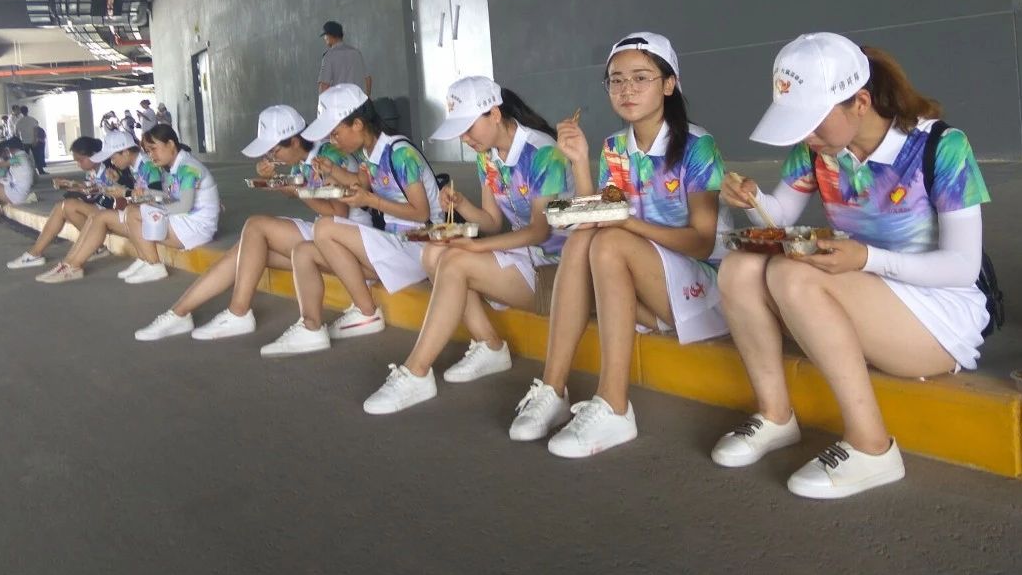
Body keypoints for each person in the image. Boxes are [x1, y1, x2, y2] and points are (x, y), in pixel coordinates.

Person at [710, 33, 990, 500]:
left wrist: (868, 258)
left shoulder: (940, 147)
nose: (806, 136)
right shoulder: (817, 150)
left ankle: (872, 446)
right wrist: (752, 199)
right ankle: (775, 415)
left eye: (812, 123)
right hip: (861, 292)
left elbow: (963, 267)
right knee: (739, 266)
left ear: (860, 102)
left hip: (937, 318)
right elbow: (779, 217)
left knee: (790, 274)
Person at [508, 32, 731, 458]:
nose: (627, 89)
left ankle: (614, 404)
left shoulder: (696, 146)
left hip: (703, 291)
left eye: (641, 78)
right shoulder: (614, 147)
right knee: (583, 239)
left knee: (608, 241)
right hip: (648, 285)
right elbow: (599, 212)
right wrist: (579, 161)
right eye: (616, 80)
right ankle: (552, 389)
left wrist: (627, 222)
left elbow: (702, 243)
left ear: (669, 84)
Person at [362, 76, 573, 415]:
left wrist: (477, 247)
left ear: (494, 113)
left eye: (468, 127)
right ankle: (489, 345)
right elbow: (490, 221)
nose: (464, 138)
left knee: (456, 260)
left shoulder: (542, 152)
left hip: (559, 268)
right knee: (434, 253)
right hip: (524, 257)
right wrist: (460, 204)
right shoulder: (487, 156)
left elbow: (538, 231)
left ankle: (416, 372)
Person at [133, 105, 367, 341]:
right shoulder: (303, 160)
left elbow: (338, 212)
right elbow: (308, 193)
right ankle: (179, 313)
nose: (273, 157)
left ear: (295, 142)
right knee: (245, 248)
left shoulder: (329, 157)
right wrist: (277, 181)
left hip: (347, 240)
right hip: (329, 235)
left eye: (275, 151)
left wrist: (297, 191)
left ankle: (237, 312)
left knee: (256, 226)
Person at [259, 84, 442, 356]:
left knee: (325, 227)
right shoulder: (369, 153)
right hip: (396, 244)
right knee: (303, 252)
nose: (332, 141)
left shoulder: (400, 153)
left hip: (421, 247)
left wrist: (371, 201)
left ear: (357, 124)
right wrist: (332, 170)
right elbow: (360, 182)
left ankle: (366, 312)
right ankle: (310, 327)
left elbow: (421, 213)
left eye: (335, 133)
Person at [36, 124, 219, 285]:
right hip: (182, 223)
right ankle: (70, 264)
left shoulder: (187, 167)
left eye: (153, 149)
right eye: (148, 150)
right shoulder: (174, 167)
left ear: (171, 144)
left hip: (193, 229)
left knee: (131, 212)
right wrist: (130, 193)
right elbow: (167, 197)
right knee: (105, 215)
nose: (150, 155)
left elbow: (183, 206)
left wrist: (137, 200)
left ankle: (152, 264)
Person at [5, 132, 140, 270]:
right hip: (104, 209)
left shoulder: (112, 168)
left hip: (113, 211)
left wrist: (114, 182)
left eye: (81, 160)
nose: (79, 164)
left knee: (66, 206)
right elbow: (95, 190)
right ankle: (37, 253)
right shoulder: (95, 170)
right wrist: (72, 185)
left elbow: (122, 191)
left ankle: (36, 254)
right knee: (65, 207)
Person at [317, 21, 371, 96]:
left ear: (330, 35)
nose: (324, 38)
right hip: (358, 101)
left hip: (339, 102)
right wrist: (366, 98)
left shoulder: (328, 56)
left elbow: (324, 85)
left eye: (325, 35)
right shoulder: (356, 53)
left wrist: (322, 102)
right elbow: (368, 79)